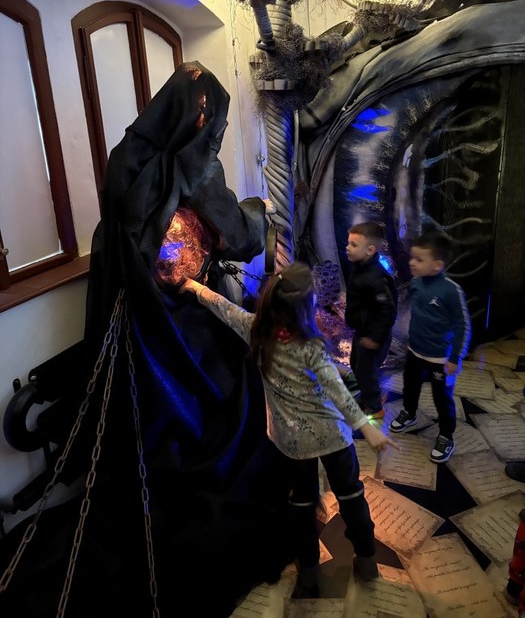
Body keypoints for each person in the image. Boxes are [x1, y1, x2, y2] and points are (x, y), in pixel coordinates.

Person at [0, 62, 288, 618]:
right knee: (235, 392)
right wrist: (262, 215)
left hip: (136, 321)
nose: (209, 128)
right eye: (210, 119)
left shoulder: (126, 160)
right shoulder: (197, 167)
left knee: (150, 415)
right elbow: (235, 233)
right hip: (186, 316)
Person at [181, 262, 398, 598]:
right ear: (305, 309)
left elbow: (225, 309)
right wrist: (365, 428)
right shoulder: (311, 348)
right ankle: (367, 560)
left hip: (292, 444)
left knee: (301, 506)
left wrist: (196, 289)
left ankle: (308, 572)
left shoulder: (256, 332)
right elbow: (338, 392)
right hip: (333, 437)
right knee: (351, 497)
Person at [390, 232, 471, 464]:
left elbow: (463, 324)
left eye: (419, 259)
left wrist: (455, 357)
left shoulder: (451, 290)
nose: (412, 263)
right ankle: (409, 413)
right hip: (415, 351)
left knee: (442, 398)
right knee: (410, 385)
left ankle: (446, 435)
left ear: (437, 265)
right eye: (412, 258)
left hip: (441, 359)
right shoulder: (416, 283)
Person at [344, 222, 398, 417]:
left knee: (366, 370)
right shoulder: (360, 268)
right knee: (356, 364)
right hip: (363, 330)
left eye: (354, 245)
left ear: (370, 250)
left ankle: (374, 406)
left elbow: (386, 311)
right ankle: (368, 396)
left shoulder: (376, 278)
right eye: (348, 243)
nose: (347, 248)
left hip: (373, 334)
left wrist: (375, 337)